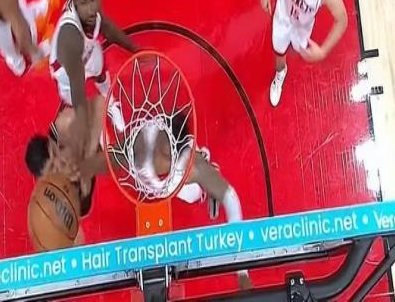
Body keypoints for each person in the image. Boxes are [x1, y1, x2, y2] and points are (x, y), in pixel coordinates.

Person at [25, 99, 252, 290]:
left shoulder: (187, 168)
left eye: (55, 163)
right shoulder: (139, 142)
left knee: (190, 192)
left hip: (162, 174)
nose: (58, 168)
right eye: (52, 170)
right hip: (133, 165)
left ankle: (207, 181)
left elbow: (231, 198)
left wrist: (242, 272)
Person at [49, 0, 139, 159]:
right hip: (66, 72)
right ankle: (99, 134)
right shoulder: (70, 33)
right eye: (84, 2)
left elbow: (107, 27)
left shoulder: (92, 13)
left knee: (101, 73)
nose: (91, 8)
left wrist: (135, 49)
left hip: (87, 53)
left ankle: (111, 104)